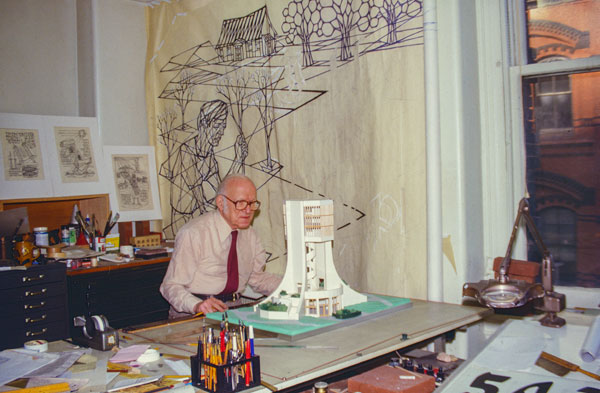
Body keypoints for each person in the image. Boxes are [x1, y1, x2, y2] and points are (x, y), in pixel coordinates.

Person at [160, 174, 281, 318]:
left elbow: (257, 278)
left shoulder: (250, 235)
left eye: (252, 203)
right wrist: (197, 305)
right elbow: (170, 286)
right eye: (240, 203)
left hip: (234, 309)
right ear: (220, 202)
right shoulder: (195, 233)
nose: (248, 210)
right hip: (195, 312)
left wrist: (299, 287)